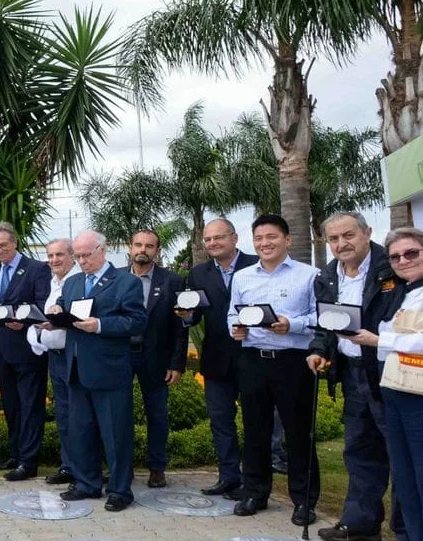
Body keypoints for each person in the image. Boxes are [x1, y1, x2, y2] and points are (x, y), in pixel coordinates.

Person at [351, 227, 423, 541]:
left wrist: (381, 340)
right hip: (399, 391)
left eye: (412, 253)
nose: (403, 261)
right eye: (395, 257)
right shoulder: (410, 291)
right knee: (408, 480)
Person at [307, 212, 408, 541]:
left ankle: (408, 535)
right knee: (359, 449)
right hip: (352, 373)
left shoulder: (391, 267)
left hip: (388, 372)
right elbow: (326, 324)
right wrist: (319, 350)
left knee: (400, 453)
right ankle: (361, 522)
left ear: (367, 233)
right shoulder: (327, 276)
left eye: (348, 235)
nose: (341, 244)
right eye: (334, 239)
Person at [226, 214, 320, 524]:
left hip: (293, 361)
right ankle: (255, 492)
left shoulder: (309, 275)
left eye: (272, 237)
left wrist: (291, 324)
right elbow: (232, 315)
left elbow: (320, 318)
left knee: (298, 433)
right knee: (255, 430)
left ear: (287, 240)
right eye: (259, 238)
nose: (265, 243)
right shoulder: (243, 277)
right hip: (253, 360)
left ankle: (304, 501)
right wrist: (236, 329)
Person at [47, 231, 146, 511]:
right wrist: (55, 316)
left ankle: (120, 490)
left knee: (115, 435)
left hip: (109, 371)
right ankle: (86, 483)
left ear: (103, 250)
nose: (81, 261)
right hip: (76, 369)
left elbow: (137, 321)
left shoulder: (125, 281)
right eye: (77, 256)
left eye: (86, 255)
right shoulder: (73, 282)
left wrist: (100, 325)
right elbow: (67, 311)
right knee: (81, 432)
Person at [177, 219, 259, 498]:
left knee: (255, 421)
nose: (212, 243)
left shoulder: (256, 265)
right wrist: (187, 315)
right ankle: (228, 477)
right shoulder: (198, 273)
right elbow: (194, 315)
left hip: (252, 357)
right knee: (220, 421)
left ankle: (254, 481)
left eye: (218, 238)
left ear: (234, 238)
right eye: (208, 239)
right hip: (215, 358)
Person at [0, 221, 53, 481]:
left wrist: (23, 322)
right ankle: (15, 453)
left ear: (14, 242)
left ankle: (29, 461)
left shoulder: (36, 269)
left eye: (3, 245)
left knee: (30, 405)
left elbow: (43, 305)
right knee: (11, 405)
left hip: (28, 349)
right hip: (2, 350)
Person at [126, 229, 188, 489]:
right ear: (130, 247)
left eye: (149, 246)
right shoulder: (115, 278)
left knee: (158, 415)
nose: (143, 250)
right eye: (138, 244)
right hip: (120, 357)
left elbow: (180, 326)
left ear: (157, 251)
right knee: (118, 414)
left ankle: (157, 467)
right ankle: (122, 467)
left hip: (156, 358)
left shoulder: (173, 281)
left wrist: (177, 363)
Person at [27, 239, 77, 484]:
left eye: (59, 255)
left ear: (72, 256)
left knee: (78, 414)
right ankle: (68, 466)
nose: (54, 260)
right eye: (50, 256)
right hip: (55, 357)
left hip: (73, 356)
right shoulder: (53, 281)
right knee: (64, 414)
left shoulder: (78, 281)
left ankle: (84, 469)